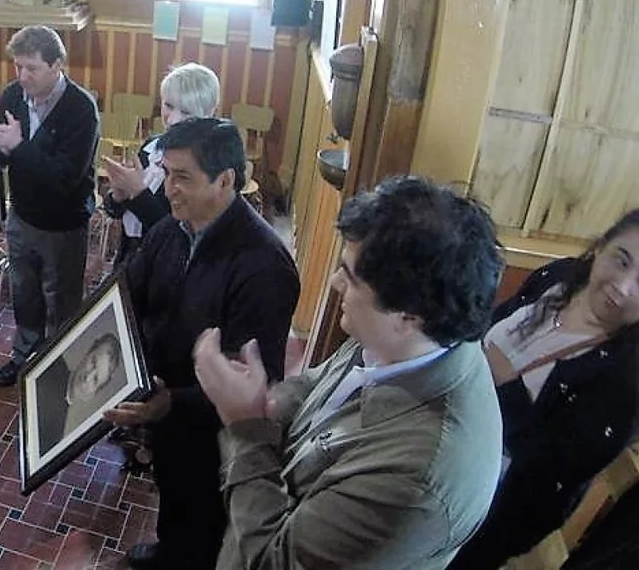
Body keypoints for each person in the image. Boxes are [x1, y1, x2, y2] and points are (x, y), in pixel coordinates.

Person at [195, 175, 505, 569]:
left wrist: (246, 426)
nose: (334, 282)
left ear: (408, 316)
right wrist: (264, 398)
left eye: (350, 276)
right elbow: (321, 383)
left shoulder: (418, 477)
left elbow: (275, 562)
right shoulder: (403, 336)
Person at [105, 117, 299, 570]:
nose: (168, 188)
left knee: (204, 522)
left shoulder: (264, 266)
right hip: (167, 402)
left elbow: (254, 378)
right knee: (172, 493)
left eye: (183, 177)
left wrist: (173, 403)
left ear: (226, 180)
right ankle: (167, 549)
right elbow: (130, 293)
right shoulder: (172, 229)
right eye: (166, 173)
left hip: (214, 431)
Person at [448, 208, 639, 569]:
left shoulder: (627, 386)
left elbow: (542, 480)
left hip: (486, 511)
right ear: (601, 247)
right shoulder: (557, 278)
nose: (622, 286)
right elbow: (484, 328)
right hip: (442, 430)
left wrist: (504, 385)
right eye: (621, 260)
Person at [0, 24, 99, 387]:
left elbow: (66, 177)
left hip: (64, 224)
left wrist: (19, 148)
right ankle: (23, 356)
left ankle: (60, 370)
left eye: (32, 68)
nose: (22, 76)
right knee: (25, 295)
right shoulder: (13, 95)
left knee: (62, 302)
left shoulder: (80, 108)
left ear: (57, 65)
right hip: (23, 216)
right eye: (18, 67)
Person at [102, 62, 221, 266]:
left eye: (186, 112)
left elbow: (178, 234)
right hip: (130, 258)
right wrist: (118, 196)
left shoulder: (205, 167)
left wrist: (138, 192)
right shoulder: (151, 146)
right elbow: (116, 211)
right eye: (168, 106)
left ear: (208, 114)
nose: (173, 120)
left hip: (166, 268)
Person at [35, 330, 123, 456]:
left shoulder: (57, 431)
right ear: (86, 354)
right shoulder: (51, 364)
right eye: (93, 362)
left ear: (93, 393)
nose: (88, 377)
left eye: (95, 379)